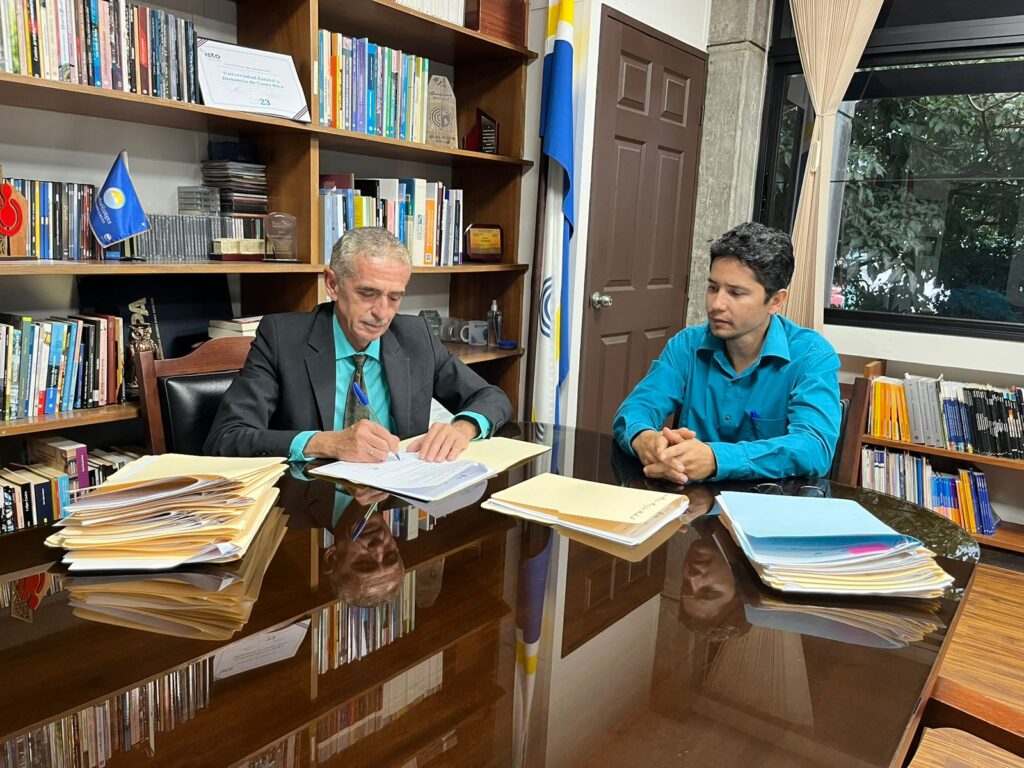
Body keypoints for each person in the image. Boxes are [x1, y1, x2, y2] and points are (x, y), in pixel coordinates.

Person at [205, 227, 513, 463]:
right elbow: (225, 438)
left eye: (395, 297)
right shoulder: (281, 338)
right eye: (368, 293)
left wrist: (463, 427)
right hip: (310, 511)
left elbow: (491, 397)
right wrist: (327, 443)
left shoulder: (415, 336)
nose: (382, 313)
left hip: (395, 501)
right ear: (333, 284)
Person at [613, 221, 841, 483]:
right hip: (689, 505)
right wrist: (644, 439)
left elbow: (814, 448)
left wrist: (715, 459)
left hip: (768, 511)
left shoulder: (812, 355)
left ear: (776, 301)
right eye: (713, 288)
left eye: (735, 293)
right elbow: (637, 407)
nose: (716, 304)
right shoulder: (687, 344)